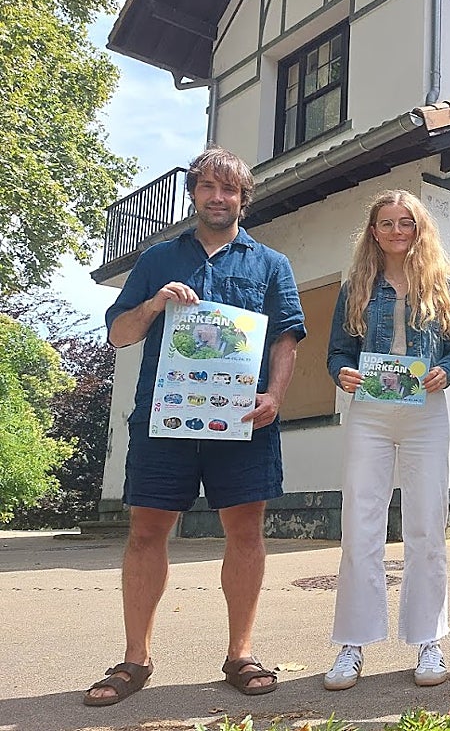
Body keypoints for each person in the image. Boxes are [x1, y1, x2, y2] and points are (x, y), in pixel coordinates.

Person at [86, 147, 306, 706]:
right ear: (193, 195)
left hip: (243, 422)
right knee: (145, 533)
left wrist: (275, 397)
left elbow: (286, 340)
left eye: (228, 190)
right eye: (207, 187)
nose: (217, 197)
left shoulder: (270, 264)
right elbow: (119, 335)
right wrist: (156, 304)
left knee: (246, 533)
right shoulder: (157, 261)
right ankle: (135, 660)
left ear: (243, 198)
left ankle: (241, 653)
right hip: (164, 422)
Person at [323, 190, 450, 690]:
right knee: (361, 525)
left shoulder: (444, 284)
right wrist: (341, 373)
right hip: (369, 412)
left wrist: (446, 372)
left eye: (404, 223)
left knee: (427, 526)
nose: (395, 231)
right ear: (373, 232)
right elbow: (338, 351)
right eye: (385, 223)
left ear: (419, 228)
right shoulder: (356, 286)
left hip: (426, 414)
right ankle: (353, 642)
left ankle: (429, 638)